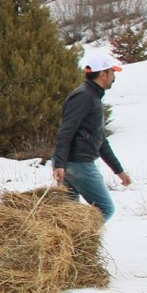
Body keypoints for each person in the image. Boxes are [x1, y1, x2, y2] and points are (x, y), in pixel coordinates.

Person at [53, 52, 132, 220]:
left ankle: (68, 245)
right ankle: (81, 242)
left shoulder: (91, 96)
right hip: (78, 164)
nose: (114, 77)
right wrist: (59, 164)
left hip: (72, 163)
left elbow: (100, 140)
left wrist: (118, 170)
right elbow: (66, 131)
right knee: (105, 209)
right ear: (103, 74)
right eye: (112, 72)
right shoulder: (85, 96)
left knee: (70, 217)